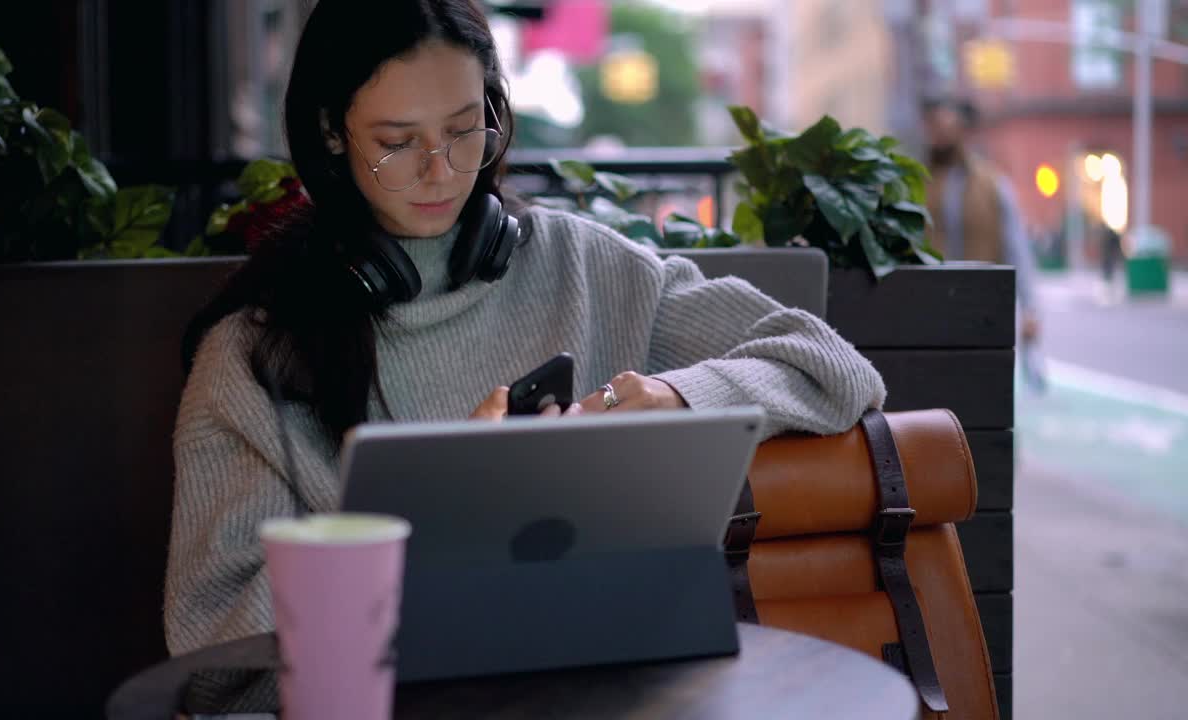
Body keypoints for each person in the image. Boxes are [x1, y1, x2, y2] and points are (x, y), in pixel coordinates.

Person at [165, 0, 886, 709]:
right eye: (396, 142)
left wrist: (677, 397)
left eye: (462, 129)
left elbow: (833, 365)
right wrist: (438, 510)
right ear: (329, 133)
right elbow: (213, 661)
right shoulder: (253, 357)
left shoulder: (585, 266)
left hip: (619, 691)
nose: (441, 171)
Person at [921, 94, 1046, 391]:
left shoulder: (991, 184)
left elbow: (1017, 246)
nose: (940, 134)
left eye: (947, 126)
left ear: (963, 131)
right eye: (934, 127)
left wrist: (1030, 309)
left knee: (986, 397)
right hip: (930, 306)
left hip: (982, 305)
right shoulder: (918, 182)